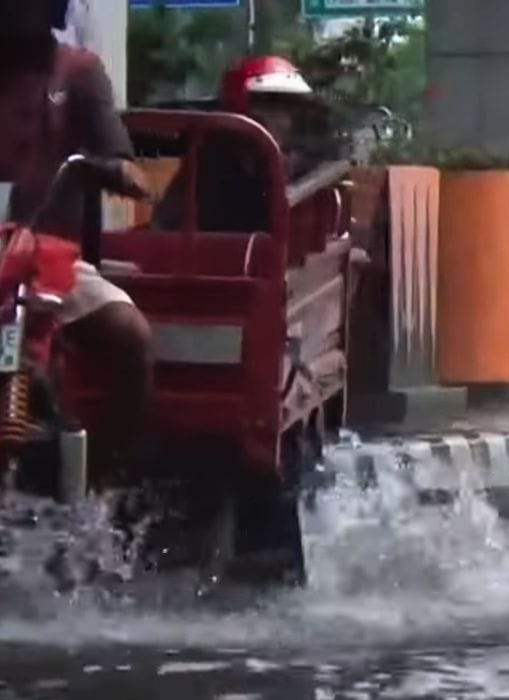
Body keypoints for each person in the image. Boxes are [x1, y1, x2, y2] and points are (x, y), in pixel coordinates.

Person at [0, 0, 154, 486]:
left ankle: (107, 480)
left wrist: (109, 168)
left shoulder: (78, 73)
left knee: (130, 334)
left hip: (48, 258)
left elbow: (126, 163)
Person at [154, 55, 322, 234]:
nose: (283, 118)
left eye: (289, 106)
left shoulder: (298, 165)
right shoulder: (213, 161)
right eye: (269, 103)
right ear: (240, 106)